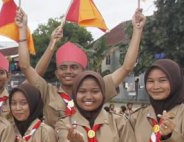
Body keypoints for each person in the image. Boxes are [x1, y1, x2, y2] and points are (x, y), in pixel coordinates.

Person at [15, 8, 145, 126]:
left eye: (73, 67)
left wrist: (137, 31)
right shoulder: (47, 92)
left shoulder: (96, 89)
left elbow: (126, 68)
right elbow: (26, 67)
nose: (68, 71)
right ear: (56, 73)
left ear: (83, 71)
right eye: (63, 67)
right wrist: (22, 30)